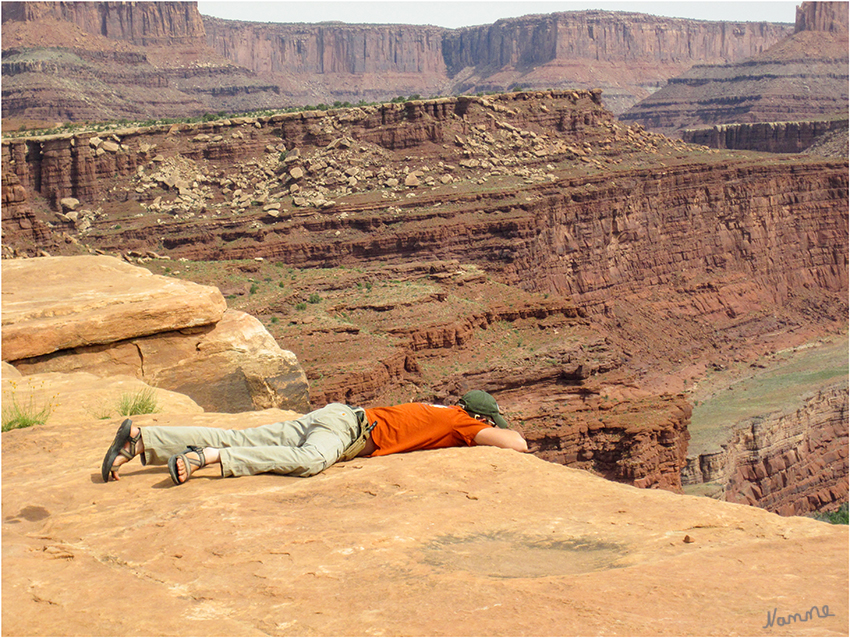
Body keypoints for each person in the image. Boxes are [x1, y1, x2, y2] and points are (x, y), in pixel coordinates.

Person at [102, 390, 528, 485]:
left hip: (338, 415)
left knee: (241, 433)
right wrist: (486, 431)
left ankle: (142, 439)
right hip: (346, 431)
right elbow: (517, 446)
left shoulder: (439, 410)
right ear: (479, 417)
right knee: (308, 462)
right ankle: (212, 458)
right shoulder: (462, 421)